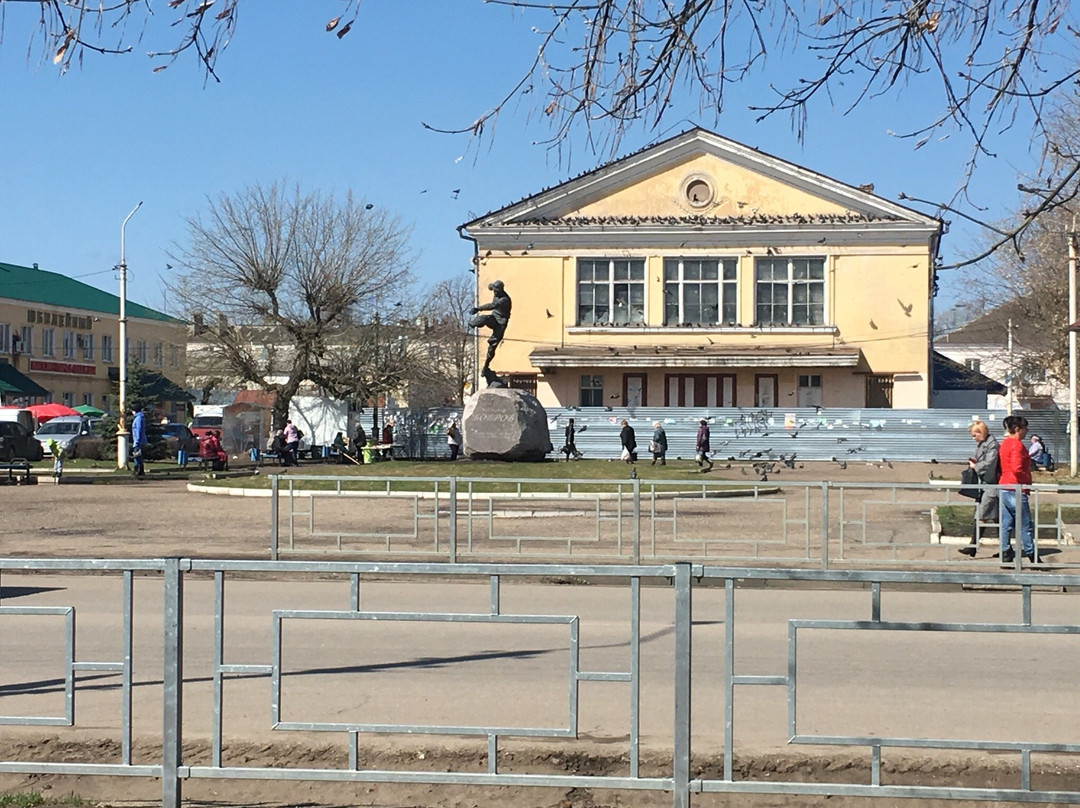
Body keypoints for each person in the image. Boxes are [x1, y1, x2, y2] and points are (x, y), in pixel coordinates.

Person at [998, 414, 1036, 564]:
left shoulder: (1005, 443)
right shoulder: (1017, 445)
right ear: (1017, 429)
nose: (1026, 432)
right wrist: (1027, 479)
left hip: (1004, 486)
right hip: (1016, 487)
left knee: (1006, 523)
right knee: (1025, 523)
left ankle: (1005, 551)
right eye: (1025, 428)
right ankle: (1031, 554)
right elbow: (1017, 468)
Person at [959, 420, 999, 557]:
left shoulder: (992, 445)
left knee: (983, 515)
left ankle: (973, 546)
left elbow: (989, 463)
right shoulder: (984, 444)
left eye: (975, 435)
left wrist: (975, 466)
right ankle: (1006, 549)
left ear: (981, 433)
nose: (973, 438)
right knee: (994, 517)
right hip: (984, 485)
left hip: (991, 485)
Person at [468, 280, 512, 386]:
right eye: (494, 291)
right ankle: (474, 324)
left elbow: (492, 305)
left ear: (501, 290)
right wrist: (490, 286)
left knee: (492, 346)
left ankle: (486, 366)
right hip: (494, 317)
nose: (495, 293)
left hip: (501, 323)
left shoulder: (504, 299)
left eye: (497, 291)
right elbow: (490, 286)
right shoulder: (495, 291)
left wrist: (478, 308)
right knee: (485, 318)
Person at [131, 404, 148, 478]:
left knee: (137, 455)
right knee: (139, 456)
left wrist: (137, 441)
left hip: (138, 441)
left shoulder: (138, 419)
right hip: (140, 440)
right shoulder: (140, 417)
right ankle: (140, 470)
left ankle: (137, 470)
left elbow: (138, 430)